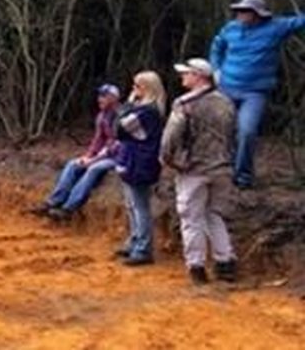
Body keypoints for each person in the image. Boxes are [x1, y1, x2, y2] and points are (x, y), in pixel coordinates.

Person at [209, 0, 305, 189]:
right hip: (226, 88)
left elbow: (300, 21)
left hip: (254, 93)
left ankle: (242, 176)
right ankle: (221, 170)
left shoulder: (275, 28)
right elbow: (217, 46)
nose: (240, 14)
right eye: (239, 10)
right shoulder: (231, 28)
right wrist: (215, 69)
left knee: (247, 131)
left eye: (245, 11)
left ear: (257, 14)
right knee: (221, 131)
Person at [161, 58, 236, 285]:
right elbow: (234, 133)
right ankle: (225, 263)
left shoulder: (184, 103)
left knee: (191, 218)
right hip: (222, 167)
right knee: (215, 215)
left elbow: (171, 136)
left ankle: (197, 267)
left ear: (199, 77)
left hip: (193, 168)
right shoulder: (226, 102)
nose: (183, 77)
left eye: (187, 73)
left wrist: (167, 159)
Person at [28, 84, 122, 220]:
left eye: (104, 96)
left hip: (118, 156)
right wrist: (88, 155)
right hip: (104, 153)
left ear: (114, 98)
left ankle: (68, 208)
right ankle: (53, 202)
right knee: (73, 164)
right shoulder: (102, 116)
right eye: (99, 95)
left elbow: (117, 145)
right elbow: (98, 139)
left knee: (94, 169)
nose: (99, 99)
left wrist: (94, 160)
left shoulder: (121, 117)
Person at [113, 71, 165, 267]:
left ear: (146, 89)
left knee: (140, 206)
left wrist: (127, 104)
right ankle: (134, 241)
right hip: (132, 162)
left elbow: (118, 127)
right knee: (132, 204)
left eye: (137, 86)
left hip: (140, 164)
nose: (133, 89)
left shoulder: (147, 112)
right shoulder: (144, 110)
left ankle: (143, 248)